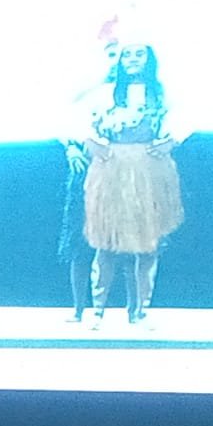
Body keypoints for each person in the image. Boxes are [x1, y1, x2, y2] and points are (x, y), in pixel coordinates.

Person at [78, 23, 187, 327]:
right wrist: (90, 142)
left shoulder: (161, 92)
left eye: (140, 54)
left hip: (149, 169)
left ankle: (140, 309)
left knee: (148, 242)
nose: (133, 60)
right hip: (112, 167)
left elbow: (187, 115)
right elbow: (76, 115)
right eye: (128, 55)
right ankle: (98, 309)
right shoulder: (105, 92)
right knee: (106, 241)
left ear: (149, 58)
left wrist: (172, 141)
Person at [59, 19, 128, 322]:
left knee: (121, 243)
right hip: (86, 172)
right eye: (111, 53)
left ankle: (124, 310)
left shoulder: (135, 92)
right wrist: (70, 147)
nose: (116, 60)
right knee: (80, 242)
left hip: (124, 173)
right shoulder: (86, 90)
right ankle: (78, 309)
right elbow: (62, 118)